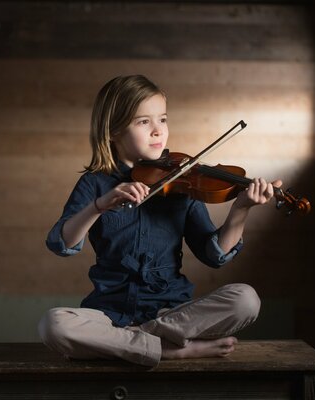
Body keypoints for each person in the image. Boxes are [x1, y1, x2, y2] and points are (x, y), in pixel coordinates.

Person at [38, 75, 282, 367]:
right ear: (113, 131)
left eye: (163, 120)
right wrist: (99, 206)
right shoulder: (95, 185)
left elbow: (213, 254)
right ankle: (170, 350)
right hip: (109, 313)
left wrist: (241, 209)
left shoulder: (181, 180)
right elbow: (61, 242)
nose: (158, 131)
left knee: (246, 299)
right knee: (53, 324)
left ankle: (137, 343)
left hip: (172, 313)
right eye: (143, 122)